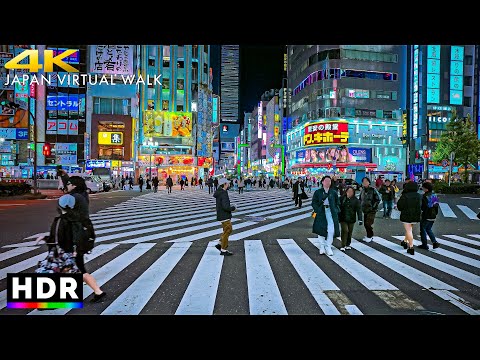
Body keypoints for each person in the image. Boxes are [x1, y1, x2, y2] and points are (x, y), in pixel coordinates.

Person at [66, 176, 106, 302]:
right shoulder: (81, 196)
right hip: (79, 237)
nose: (67, 185)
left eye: (69, 183)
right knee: (77, 268)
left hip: (75, 239)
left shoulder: (75, 200)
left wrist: (75, 245)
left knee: (76, 267)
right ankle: (98, 292)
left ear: (75, 185)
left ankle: (98, 292)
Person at [312, 175, 340, 256]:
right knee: (321, 229)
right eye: (326, 181)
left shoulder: (333, 192)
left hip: (331, 212)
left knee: (331, 230)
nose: (328, 183)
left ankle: (328, 246)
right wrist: (317, 209)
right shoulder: (318, 192)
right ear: (322, 182)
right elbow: (314, 202)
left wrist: (336, 210)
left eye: (329, 181)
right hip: (321, 212)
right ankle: (322, 246)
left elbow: (337, 203)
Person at [397, 181, 422, 255]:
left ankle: (411, 247)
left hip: (406, 215)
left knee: (409, 230)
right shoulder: (419, 196)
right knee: (409, 229)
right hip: (416, 215)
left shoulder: (405, 195)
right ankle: (404, 241)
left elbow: (400, 206)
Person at [213, 178, 236, 256]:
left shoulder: (219, 192)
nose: (229, 185)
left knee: (227, 230)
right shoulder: (223, 193)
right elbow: (225, 206)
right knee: (228, 230)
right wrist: (233, 208)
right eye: (228, 183)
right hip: (225, 215)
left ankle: (220, 244)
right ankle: (223, 249)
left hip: (221, 214)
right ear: (225, 184)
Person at [338, 186, 363, 251]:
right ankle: (343, 245)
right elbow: (338, 207)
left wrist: (360, 219)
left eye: (351, 191)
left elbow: (359, 210)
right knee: (345, 230)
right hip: (343, 218)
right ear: (346, 192)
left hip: (352, 218)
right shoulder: (342, 199)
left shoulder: (356, 200)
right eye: (348, 191)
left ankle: (348, 244)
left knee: (350, 232)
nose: (350, 193)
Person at [419, 181, 440, 250]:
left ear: (426, 189)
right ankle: (434, 242)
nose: (422, 189)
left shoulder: (425, 196)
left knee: (423, 229)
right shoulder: (434, 195)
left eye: (423, 188)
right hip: (433, 215)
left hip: (426, 215)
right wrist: (435, 213)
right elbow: (436, 205)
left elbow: (423, 207)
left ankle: (424, 244)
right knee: (428, 229)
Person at [359, 177, 380, 243]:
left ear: (369, 182)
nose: (365, 183)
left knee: (368, 223)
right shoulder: (362, 190)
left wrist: (373, 207)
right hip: (365, 209)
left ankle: (370, 236)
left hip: (372, 210)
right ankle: (369, 235)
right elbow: (360, 199)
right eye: (363, 181)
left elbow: (378, 199)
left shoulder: (373, 190)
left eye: (366, 181)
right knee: (365, 224)